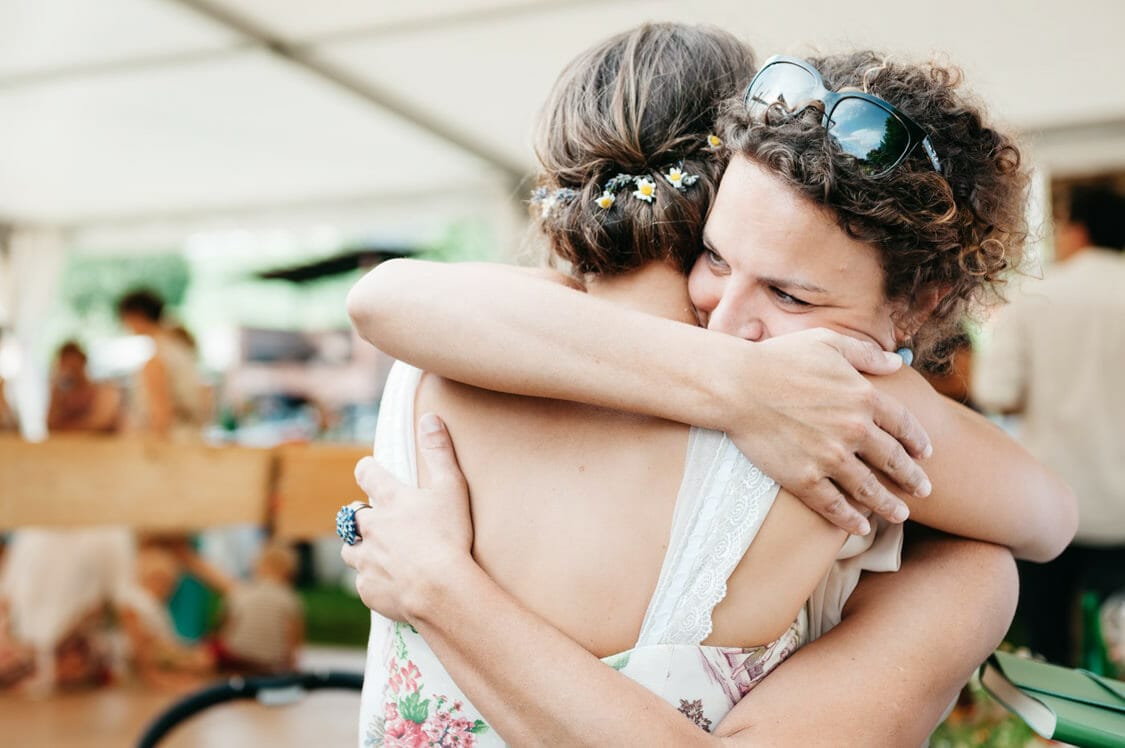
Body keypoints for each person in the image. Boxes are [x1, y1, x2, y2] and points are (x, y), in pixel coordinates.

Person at [345, 28, 1075, 744]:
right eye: (718, 260)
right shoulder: (832, 399)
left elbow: (384, 299)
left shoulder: (443, 355)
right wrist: (743, 386)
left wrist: (440, 589)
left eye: (790, 295)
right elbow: (1044, 518)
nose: (729, 324)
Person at [973, 184, 1125, 665]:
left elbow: (994, 392)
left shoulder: (1038, 298)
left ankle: (1057, 740)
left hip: (1056, 507)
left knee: (1051, 653)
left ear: (1075, 230)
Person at [172, 540, 304, 673]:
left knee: (206, 649)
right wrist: (290, 663)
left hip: (237, 658)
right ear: (289, 571)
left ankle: (176, 666)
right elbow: (293, 638)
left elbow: (225, 627)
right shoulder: (291, 598)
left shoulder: (241, 591)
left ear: (257, 566)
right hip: (272, 662)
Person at [117, 290, 207, 440]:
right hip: (190, 438)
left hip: (171, 444)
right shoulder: (179, 347)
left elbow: (161, 417)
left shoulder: (158, 360)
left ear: (136, 315)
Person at [46, 341, 121, 433]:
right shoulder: (60, 394)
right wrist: (55, 388)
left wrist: (65, 428)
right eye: (64, 365)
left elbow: (100, 424)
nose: (70, 369)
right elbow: (50, 425)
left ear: (83, 362)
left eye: (73, 365)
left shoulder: (104, 390)